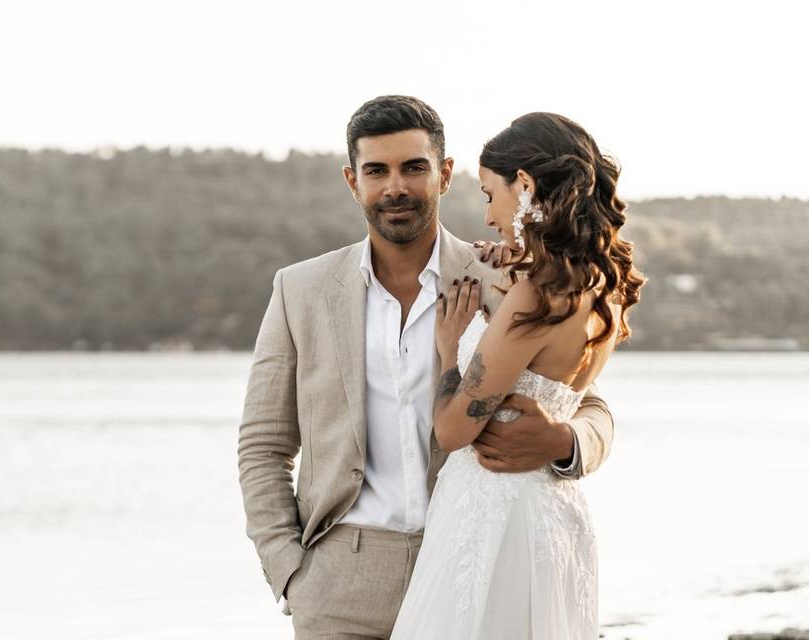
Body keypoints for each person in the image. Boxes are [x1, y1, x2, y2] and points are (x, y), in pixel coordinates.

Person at [237, 95, 618, 640]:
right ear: (353, 181)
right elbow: (263, 444)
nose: (396, 187)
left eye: (413, 168)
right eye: (377, 171)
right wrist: (290, 573)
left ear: (443, 174)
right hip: (340, 583)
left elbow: (591, 402)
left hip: (475, 567)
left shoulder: (502, 277)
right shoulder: (300, 290)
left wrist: (565, 444)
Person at [390, 112, 646, 639]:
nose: (487, 216)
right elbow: (542, 366)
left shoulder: (538, 295)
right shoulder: (605, 289)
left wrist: (447, 350)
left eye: (489, 194)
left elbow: (453, 430)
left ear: (524, 185)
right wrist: (500, 283)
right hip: (553, 512)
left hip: (491, 517)